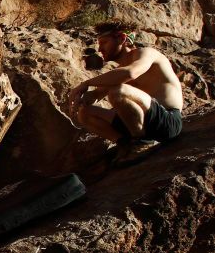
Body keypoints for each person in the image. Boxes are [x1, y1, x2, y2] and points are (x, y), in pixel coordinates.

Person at [69, 21, 183, 165]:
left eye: (104, 42)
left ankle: (142, 143)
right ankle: (125, 144)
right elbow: (96, 95)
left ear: (122, 38)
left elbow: (130, 73)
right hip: (142, 124)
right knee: (84, 113)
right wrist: (79, 100)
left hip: (166, 121)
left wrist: (85, 83)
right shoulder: (119, 71)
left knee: (118, 91)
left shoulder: (146, 53)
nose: (100, 48)